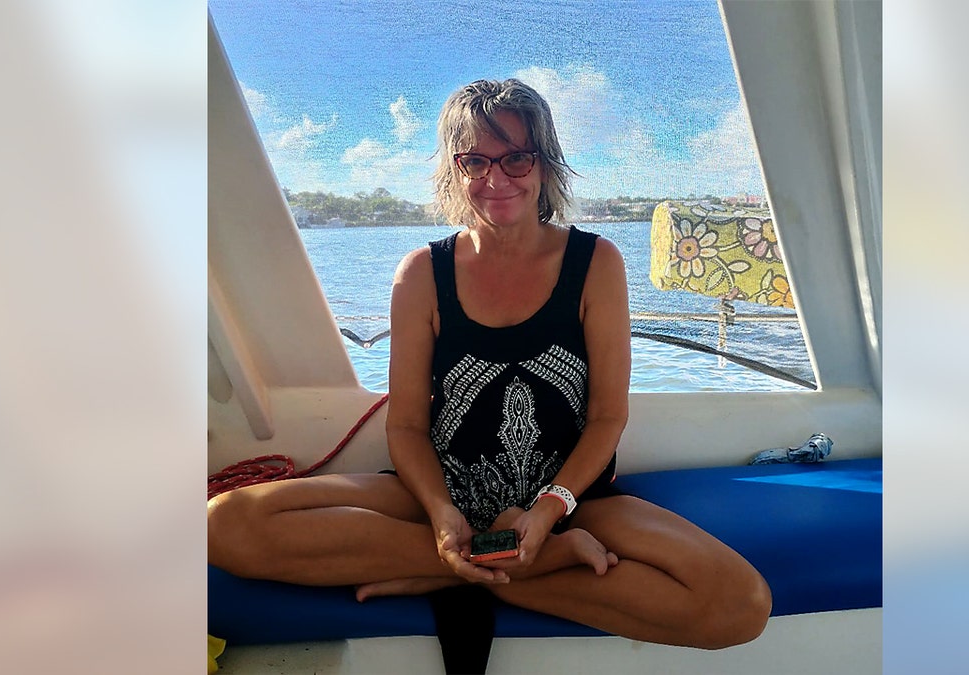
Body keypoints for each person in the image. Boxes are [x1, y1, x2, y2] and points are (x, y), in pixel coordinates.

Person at [208, 79, 771, 656]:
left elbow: (606, 418)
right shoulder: (422, 274)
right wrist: (442, 515)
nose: (496, 180)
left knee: (738, 605)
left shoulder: (595, 263)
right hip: (443, 498)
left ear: (545, 165)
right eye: (475, 160)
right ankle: (503, 565)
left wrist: (551, 509)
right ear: (454, 170)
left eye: (516, 159)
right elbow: (404, 427)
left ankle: (474, 569)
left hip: (575, 503)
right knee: (225, 524)